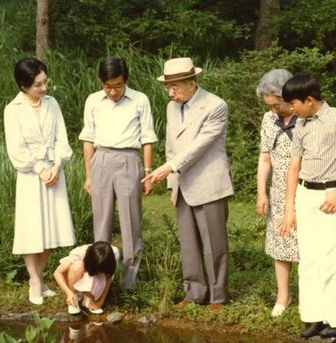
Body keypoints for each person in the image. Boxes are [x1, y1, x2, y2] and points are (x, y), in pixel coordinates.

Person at [143, 57, 234, 311]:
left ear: (192, 84)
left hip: (209, 180)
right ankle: (194, 292)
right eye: (167, 87)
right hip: (182, 182)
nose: (170, 92)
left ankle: (218, 297)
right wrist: (172, 182)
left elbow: (199, 147)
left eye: (175, 87)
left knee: (214, 242)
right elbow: (172, 147)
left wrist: (169, 168)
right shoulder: (173, 107)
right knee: (189, 242)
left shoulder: (216, 105)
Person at [278, 74, 336, 340]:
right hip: (305, 194)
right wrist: (289, 208)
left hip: (330, 195)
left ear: (309, 100)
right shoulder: (301, 124)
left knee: (328, 261)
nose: (291, 109)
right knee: (309, 261)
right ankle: (313, 317)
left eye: (294, 103)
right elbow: (294, 167)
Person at [79, 56, 157, 292]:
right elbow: (88, 139)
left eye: (118, 86)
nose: (113, 91)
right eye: (108, 86)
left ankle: (129, 283)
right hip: (101, 158)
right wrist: (89, 174)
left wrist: (148, 172)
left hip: (128, 159)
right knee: (101, 223)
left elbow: (147, 138)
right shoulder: (93, 101)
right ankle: (99, 280)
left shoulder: (139, 100)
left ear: (126, 81)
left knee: (131, 223)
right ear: (101, 82)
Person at [4, 57, 75, 306]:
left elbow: (61, 138)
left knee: (51, 227)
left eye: (45, 82)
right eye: (38, 85)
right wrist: (39, 169)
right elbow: (16, 149)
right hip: (30, 175)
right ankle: (34, 280)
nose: (44, 88)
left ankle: (40, 278)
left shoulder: (52, 104)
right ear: (24, 86)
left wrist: (56, 166)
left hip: (54, 172)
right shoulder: (13, 109)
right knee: (31, 228)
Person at [255, 69, 300, 317]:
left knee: (305, 244)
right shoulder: (268, 120)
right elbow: (264, 159)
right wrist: (262, 192)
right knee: (280, 242)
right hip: (278, 190)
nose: (274, 110)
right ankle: (283, 295)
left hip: (304, 190)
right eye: (269, 106)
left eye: (277, 105)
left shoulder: (306, 117)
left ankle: (309, 295)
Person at [53, 241, 120, 315]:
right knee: (78, 266)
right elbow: (57, 273)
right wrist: (69, 293)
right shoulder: (80, 253)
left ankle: (89, 300)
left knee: (100, 275)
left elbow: (108, 278)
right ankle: (74, 299)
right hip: (76, 278)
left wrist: (100, 302)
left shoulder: (113, 254)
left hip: (95, 282)